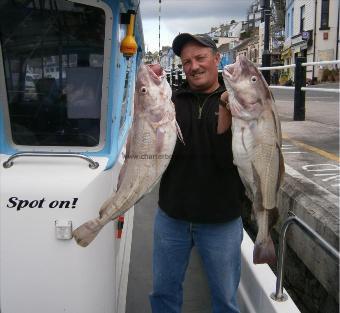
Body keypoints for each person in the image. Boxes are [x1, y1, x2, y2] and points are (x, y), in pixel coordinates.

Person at [149, 33, 245, 313]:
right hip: (172, 217)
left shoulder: (239, 103)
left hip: (222, 221)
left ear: (217, 59)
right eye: (187, 61)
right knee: (163, 293)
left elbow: (233, 159)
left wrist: (229, 110)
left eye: (201, 58)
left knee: (225, 300)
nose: (194, 66)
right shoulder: (170, 102)